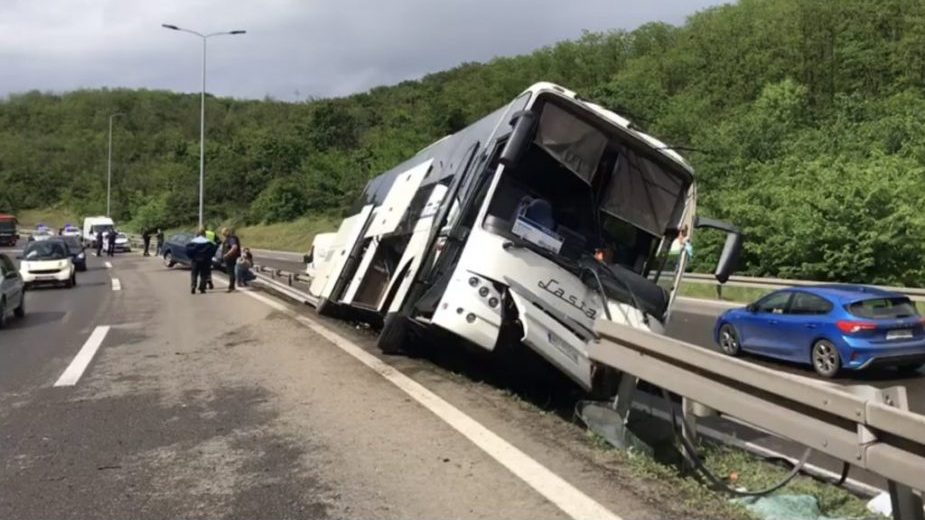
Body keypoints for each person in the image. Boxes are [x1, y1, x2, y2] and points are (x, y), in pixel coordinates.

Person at [185, 228, 216, 294]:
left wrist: (191, 257)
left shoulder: (193, 242)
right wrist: (209, 257)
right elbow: (213, 251)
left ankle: (193, 286)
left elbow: (188, 250)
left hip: (195, 260)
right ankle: (202, 288)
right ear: (204, 234)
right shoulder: (208, 242)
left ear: (197, 234)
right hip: (205, 261)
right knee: (203, 274)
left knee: (194, 274)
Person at [221, 227, 241, 292]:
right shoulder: (229, 238)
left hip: (231, 258)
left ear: (227, 232)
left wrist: (227, 254)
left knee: (231, 272)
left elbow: (234, 247)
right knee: (230, 272)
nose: (223, 235)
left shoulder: (231, 238)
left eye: (224, 233)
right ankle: (231, 286)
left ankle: (231, 287)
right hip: (230, 258)